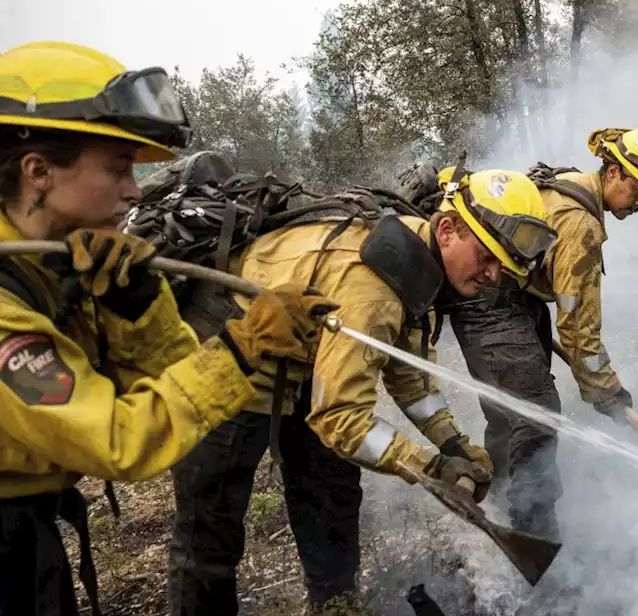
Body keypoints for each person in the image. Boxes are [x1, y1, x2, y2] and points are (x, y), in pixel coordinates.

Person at [0, 41, 337, 616]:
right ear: (38, 172)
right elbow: (119, 439)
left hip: (30, 535)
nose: (135, 190)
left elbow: (172, 372)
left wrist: (136, 303)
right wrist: (242, 349)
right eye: (118, 168)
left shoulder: (49, 266)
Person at [167, 166, 559, 615]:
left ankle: (336, 607)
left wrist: (455, 444)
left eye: (503, 268)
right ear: (448, 229)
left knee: (331, 502)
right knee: (210, 533)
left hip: (305, 365)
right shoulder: (372, 290)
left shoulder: (418, 259)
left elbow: (409, 374)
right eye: (487, 258)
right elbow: (339, 417)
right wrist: (430, 467)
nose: (492, 276)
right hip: (230, 360)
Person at [438, 127, 638, 541]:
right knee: (537, 410)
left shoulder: (567, 183)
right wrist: (606, 391)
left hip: (507, 296)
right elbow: (577, 327)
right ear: (612, 172)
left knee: (509, 407)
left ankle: (498, 497)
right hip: (494, 299)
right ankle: (534, 530)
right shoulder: (582, 227)